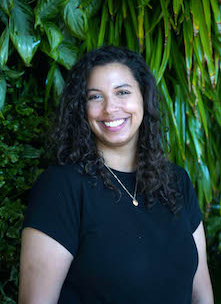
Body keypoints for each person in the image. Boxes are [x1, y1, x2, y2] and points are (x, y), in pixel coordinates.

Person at [18, 46, 214, 304]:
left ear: (143, 97)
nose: (110, 108)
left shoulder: (176, 181)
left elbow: (202, 297)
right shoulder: (61, 188)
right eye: (95, 97)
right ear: (81, 108)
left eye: (122, 92)